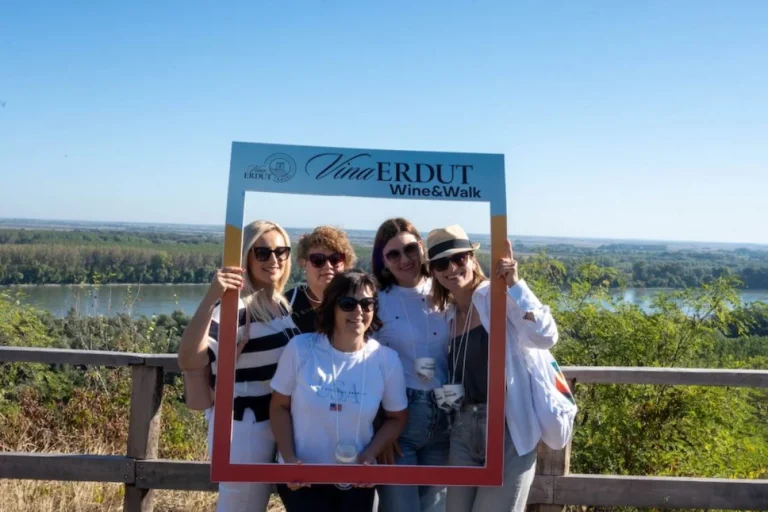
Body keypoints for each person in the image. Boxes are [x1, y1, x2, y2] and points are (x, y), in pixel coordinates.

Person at [426, 225, 559, 512]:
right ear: (433, 272)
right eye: (441, 263)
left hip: (508, 427)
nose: (452, 268)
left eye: (459, 258)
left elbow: (545, 336)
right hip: (463, 429)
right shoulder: (448, 314)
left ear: (472, 259)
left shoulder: (495, 297)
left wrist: (516, 286)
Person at [177, 220, 297, 512]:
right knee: (241, 506)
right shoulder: (237, 307)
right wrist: (212, 295)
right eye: (262, 252)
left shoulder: (278, 302)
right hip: (245, 426)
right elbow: (189, 359)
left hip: (273, 423)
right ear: (246, 257)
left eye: (281, 251)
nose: (274, 259)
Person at [269, 270, 409, 512]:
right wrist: (289, 458)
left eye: (367, 304)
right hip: (303, 479)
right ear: (332, 307)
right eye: (348, 304)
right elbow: (279, 406)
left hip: (357, 481)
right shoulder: (301, 349)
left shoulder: (386, 360)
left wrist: (370, 454)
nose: (358, 312)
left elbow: (397, 418)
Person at [372, 218, 451, 512]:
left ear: (421, 247)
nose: (404, 259)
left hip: (444, 416)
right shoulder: (376, 301)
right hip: (398, 418)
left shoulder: (445, 289)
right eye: (393, 254)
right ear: (383, 261)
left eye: (410, 249)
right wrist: (379, 428)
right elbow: (365, 364)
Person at [285, 225, 357, 333]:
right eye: (318, 260)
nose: (328, 266)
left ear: (345, 263)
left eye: (335, 259)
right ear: (303, 263)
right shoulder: (286, 305)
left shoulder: (357, 302)